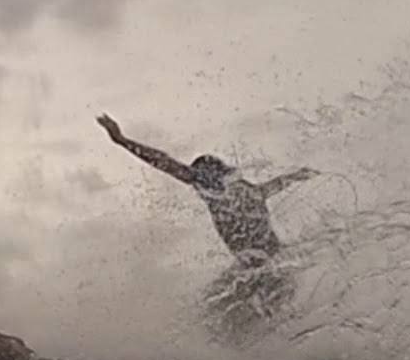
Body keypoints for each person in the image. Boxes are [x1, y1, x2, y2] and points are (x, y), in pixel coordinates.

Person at [95, 112, 319, 340]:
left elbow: (164, 162)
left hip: (258, 271)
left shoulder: (216, 192)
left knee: (216, 313)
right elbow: (277, 184)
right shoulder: (252, 191)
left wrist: (121, 140)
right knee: (252, 315)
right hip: (276, 266)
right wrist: (297, 175)